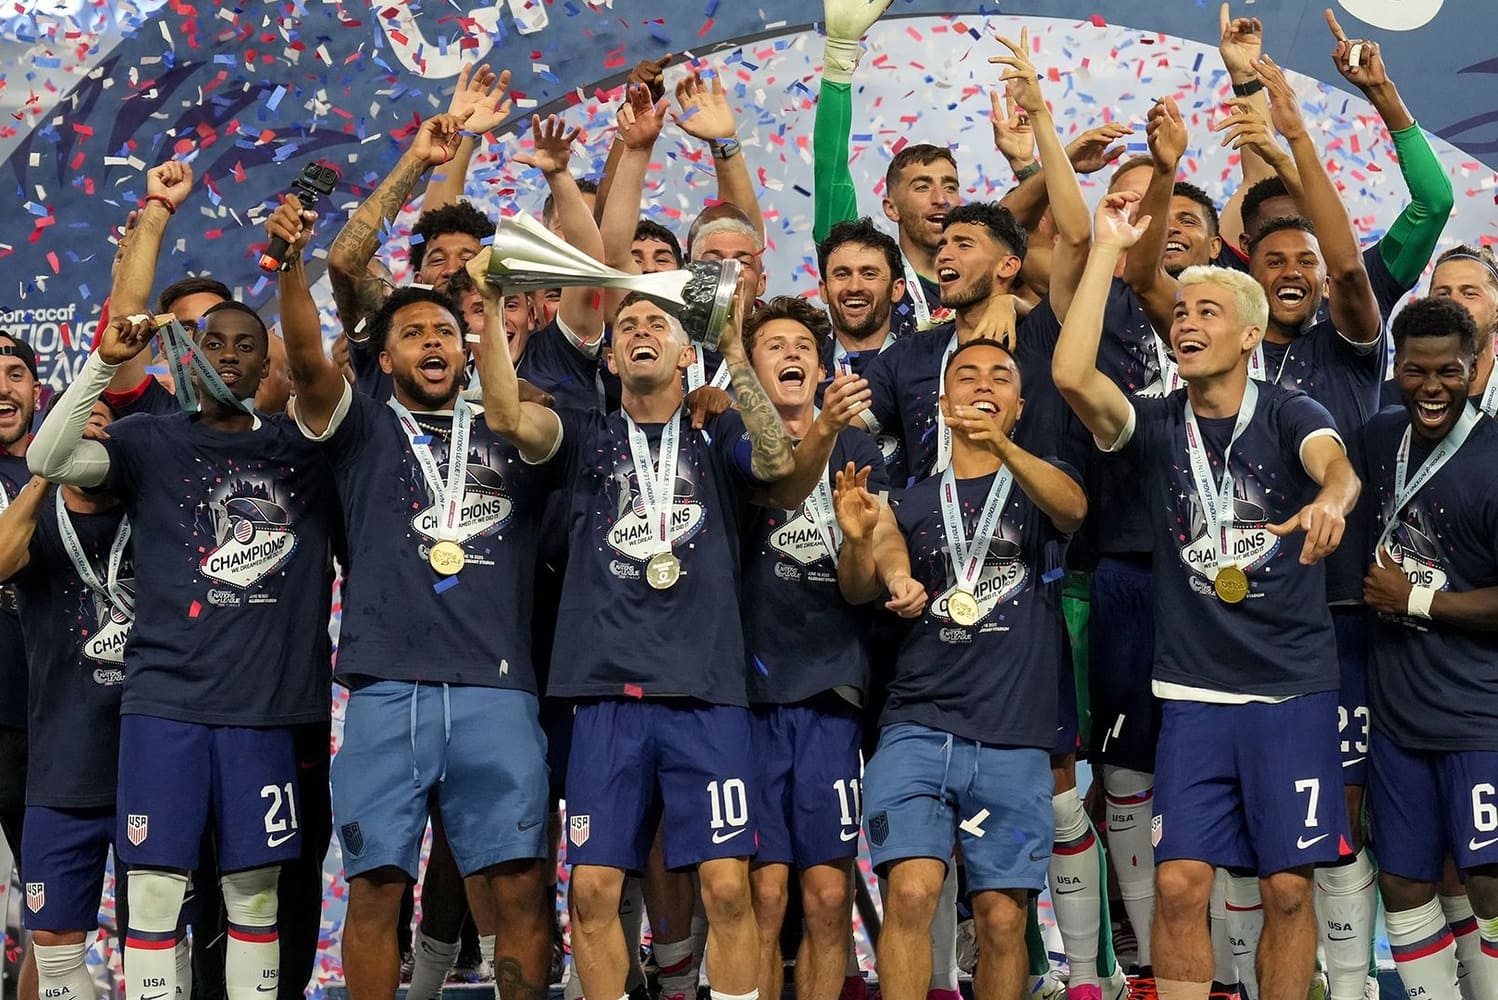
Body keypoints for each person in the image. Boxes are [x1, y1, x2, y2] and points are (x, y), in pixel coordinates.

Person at [479, 234, 812, 1000]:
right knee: (593, 890)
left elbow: (777, 463)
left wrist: (735, 350)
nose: (639, 331)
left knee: (727, 888)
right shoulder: (584, 436)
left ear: (687, 354)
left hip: (707, 693)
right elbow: (504, 413)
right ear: (610, 357)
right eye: (626, 325)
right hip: (604, 696)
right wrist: (494, 304)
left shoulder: (718, 434)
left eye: (657, 323)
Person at [1052, 191, 1359, 1000]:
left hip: (1290, 690)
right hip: (1191, 696)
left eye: (1208, 311)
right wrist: (1108, 251)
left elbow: (1336, 466)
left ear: (1250, 335)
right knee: (1181, 883)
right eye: (1180, 312)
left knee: (1287, 889)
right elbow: (1071, 374)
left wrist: (1331, 501)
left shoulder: (1290, 410)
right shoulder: (1157, 424)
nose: (1186, 322)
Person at [269, 189, 557, 1000]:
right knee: (376, 891)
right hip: (386, 687)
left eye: (445, 331)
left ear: (467, 352)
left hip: (496, 687)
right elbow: (307, 357)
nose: (433, 340)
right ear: (386, 361)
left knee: (520, 889)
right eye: (413, 333)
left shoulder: (513, 428)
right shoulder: (360, 428)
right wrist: (290, 265)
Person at [28, 299, 339, 1000]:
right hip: (163, 706)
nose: (228, 354)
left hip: (263, 712)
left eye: (245, 345)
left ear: (267, 365)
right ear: (189, 358)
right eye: (213, 342)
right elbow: (48, 458)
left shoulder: (303, 452)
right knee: (153, 893)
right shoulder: (148, 440)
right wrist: (103, 363)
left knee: (255, 896)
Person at [851, 337, 1085, 1000]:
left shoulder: (1042, 485)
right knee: (910, 893)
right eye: (968, 376)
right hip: (917, 726)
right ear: (942, 401)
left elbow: (1072, 508)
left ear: (1020, 405)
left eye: (1001, 378)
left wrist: (1003, 446)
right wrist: (897, 576)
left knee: (1004, 920)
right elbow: (886, 544)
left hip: (1013, 735)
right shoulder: (911, 499)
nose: (984, 385)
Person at [736, 296, 910, 1000]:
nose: (791, 354)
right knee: (763, 892)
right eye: (774, 345)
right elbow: (779, 483)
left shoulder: (858, 452)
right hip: (747, 693)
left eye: (804, 346)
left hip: (832, 687)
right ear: (751, 368)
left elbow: (859, 589)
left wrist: (861, 543)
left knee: (828, 896)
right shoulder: (732, 440)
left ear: (821, 366)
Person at [1359, 296, 1498, 1000]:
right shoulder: (1379, 437)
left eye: (1449, 371)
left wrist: (1415, 600)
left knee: (1490, 881)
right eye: (1416, 370)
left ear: (1476, 369)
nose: (1433, 386)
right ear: (1397, 369)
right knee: (1404, 880)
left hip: (1480, 717)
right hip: (1398, 716)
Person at [1, 400, 153, 1000]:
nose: (88, 441)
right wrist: (46, 471)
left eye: (100, 431)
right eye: (74, 432)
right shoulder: (34, 526)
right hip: (63, 766)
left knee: (159, 937)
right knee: (55, 945)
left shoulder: (156, 518)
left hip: (154, 761)